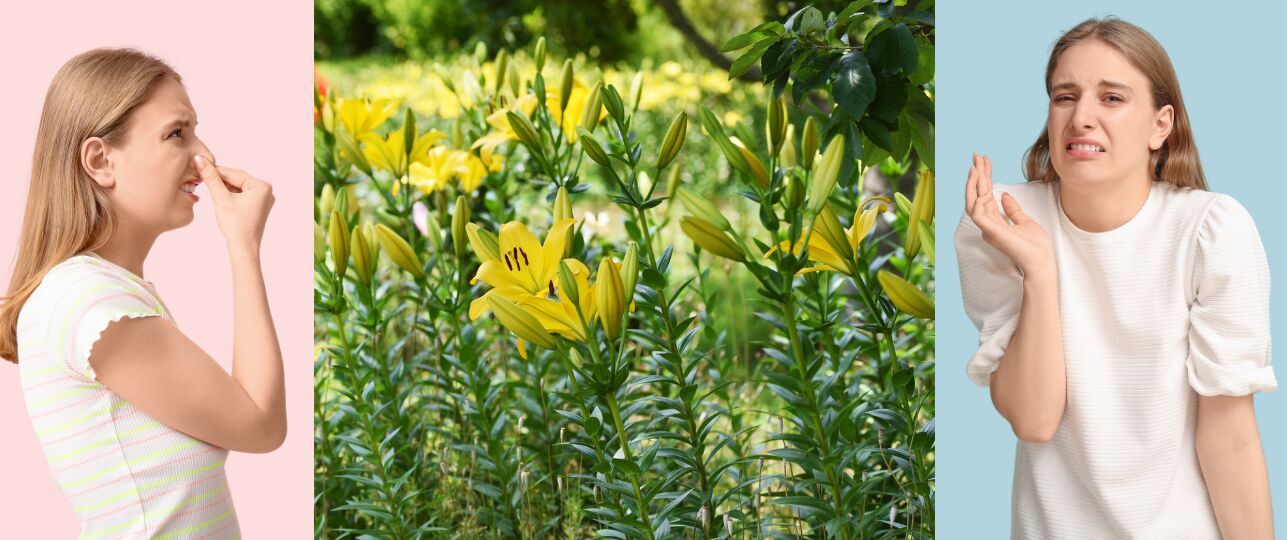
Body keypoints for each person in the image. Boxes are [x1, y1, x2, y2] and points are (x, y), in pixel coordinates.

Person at [955, 18, 1275, 539]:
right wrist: (1039, 269)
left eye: (1111, 98)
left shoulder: (1211, 231)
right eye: (1065, 96)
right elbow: (1034, 420)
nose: (1081, 117)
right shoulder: (1001, 223)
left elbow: (1229, 437)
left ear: (1160, 124)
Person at [0, 48, 282, 538]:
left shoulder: (98, 293)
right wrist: (243, 244)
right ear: (100, 160)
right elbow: (261, 422)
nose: (205, 156)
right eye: (177, 133)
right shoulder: (89, 300)